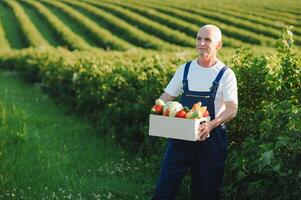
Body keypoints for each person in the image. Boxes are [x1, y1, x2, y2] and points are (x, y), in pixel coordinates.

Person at [151, 24, 238, 200]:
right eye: (199, 38)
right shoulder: (185, 69)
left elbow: (232, 108)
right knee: (165, 187)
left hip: (211, 140)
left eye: (207, 40)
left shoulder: (225, 74)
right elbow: (167, 96)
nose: (202, 43)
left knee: (206, 191)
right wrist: (157, 111)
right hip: (180, 136)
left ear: (218, 45)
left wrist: (211, 124)